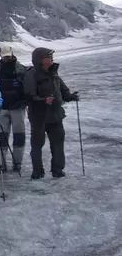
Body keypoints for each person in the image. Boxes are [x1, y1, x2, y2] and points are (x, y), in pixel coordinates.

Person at [23, 47, 79, 179]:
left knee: (58, 142)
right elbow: (29, 96)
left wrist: (71, 96)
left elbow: (63, 91)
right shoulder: (32, 75)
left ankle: (57, 169)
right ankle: (37, 171)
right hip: (39, 117)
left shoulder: (54, 73)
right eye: (48, 57)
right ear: (40, 60)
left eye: (51, 58)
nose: (51, 60)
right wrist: (44, 100)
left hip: (55, 115)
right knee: (37, 145)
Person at [0, 46, 28, 173]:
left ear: (12, 54)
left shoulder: (21, 69)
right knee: (2, 138)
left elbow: (27, 87)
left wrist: (23, 100)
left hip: (18, 108)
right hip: (2, 109)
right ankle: (1, 164)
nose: (7, 58)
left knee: (19, 136)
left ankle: (17, 163)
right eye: (5, 55)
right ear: (0, 55)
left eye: (9, 55)